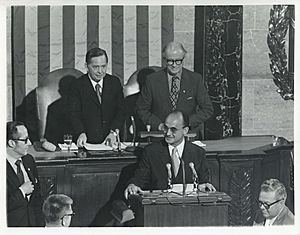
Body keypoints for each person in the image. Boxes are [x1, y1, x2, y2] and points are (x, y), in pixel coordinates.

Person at [124, 110, 215, 199]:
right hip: (160, 208)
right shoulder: (151, 152)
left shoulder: (197, 152)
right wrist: (133, 185)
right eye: (165, 128)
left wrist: (205, 185)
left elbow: (203, 181)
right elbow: (139, 179)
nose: (168, 133)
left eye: (173, 130)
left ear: (185, 130)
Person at [136, 41, 213, 139]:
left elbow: (207, 109)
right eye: (170, 61)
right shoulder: (152, 80)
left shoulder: (195, 79)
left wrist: (186, 123)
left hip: (187, 136)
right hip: (161, 136)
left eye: (178, 61)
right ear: (165, 59)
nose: (174, 65)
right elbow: (141, 109)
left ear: (183, 59)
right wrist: (159, 125)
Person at [69, 47, 125, 147]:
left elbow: (121, 111)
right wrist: (80, 133)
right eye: (95, 67)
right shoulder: (77, 86)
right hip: (86, 141)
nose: (100, 71)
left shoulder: (114, 82)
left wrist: (113, 133)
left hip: (111, 140)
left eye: (103, 66)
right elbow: (74, 114)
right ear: (87, 66)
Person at [6, 121, 44, 226]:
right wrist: (22, 191)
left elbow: (37, 197)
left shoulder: (28, 160)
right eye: (25, 140)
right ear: (11, 143)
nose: (30, 143)